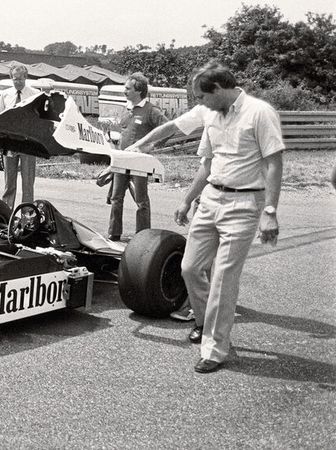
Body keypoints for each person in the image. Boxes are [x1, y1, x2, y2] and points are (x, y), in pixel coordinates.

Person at [175, 63, 283, 373]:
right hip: (211, 198)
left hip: (244, 202)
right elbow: (207, 164)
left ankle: (215, 348)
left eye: (201, 97)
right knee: (190, 268)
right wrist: (187, 199)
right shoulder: (212, 116)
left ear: (218, 90)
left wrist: (270, 212)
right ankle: (204, 321)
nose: (200, 103)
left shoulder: (260, 112)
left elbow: (274, 163)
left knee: (223, 278)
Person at [125, 103, 213, 322]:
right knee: (196, 260)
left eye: (203, 94)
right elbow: (172, 126)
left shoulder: (240, 114)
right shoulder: (207, 108)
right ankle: (205, 302)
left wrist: (187, 200)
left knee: (211, 259)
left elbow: (210, 165)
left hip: (235, 195)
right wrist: (140, 144)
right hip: (212, 190)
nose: (200, 100)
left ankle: (201, 309)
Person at [107, 72, 169, 241]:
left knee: (141, 200)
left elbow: (169, 128)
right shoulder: (126, 110)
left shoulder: (151, 110)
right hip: (122, 160)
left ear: (138, 90)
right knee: (116, 197)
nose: (124, 91)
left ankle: (142, 235)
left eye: (128, 88)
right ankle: (114, 233)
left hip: (140, 163)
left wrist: (152, 146)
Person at [0, 63, 40, 209]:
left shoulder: (35, 94)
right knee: (9, 182)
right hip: (10, 143)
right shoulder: (5, 95)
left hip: (28, 144)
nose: (17, 82)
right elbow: (0, 120)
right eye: (15, 79)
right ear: (11, 78)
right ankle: (6, 212)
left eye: (20, 79)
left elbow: (39, 120)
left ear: (26, 78)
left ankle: (27, 214)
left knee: (28, 183)